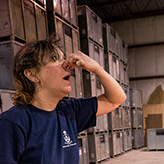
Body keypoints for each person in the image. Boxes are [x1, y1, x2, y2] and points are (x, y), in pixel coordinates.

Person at [0, 33, 126, 164]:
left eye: (63, 58)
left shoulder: (69, 111)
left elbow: (116, 99)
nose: (66, 64)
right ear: (32, 74)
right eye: (55, 59)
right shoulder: (13, 123)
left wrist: (97, 68)